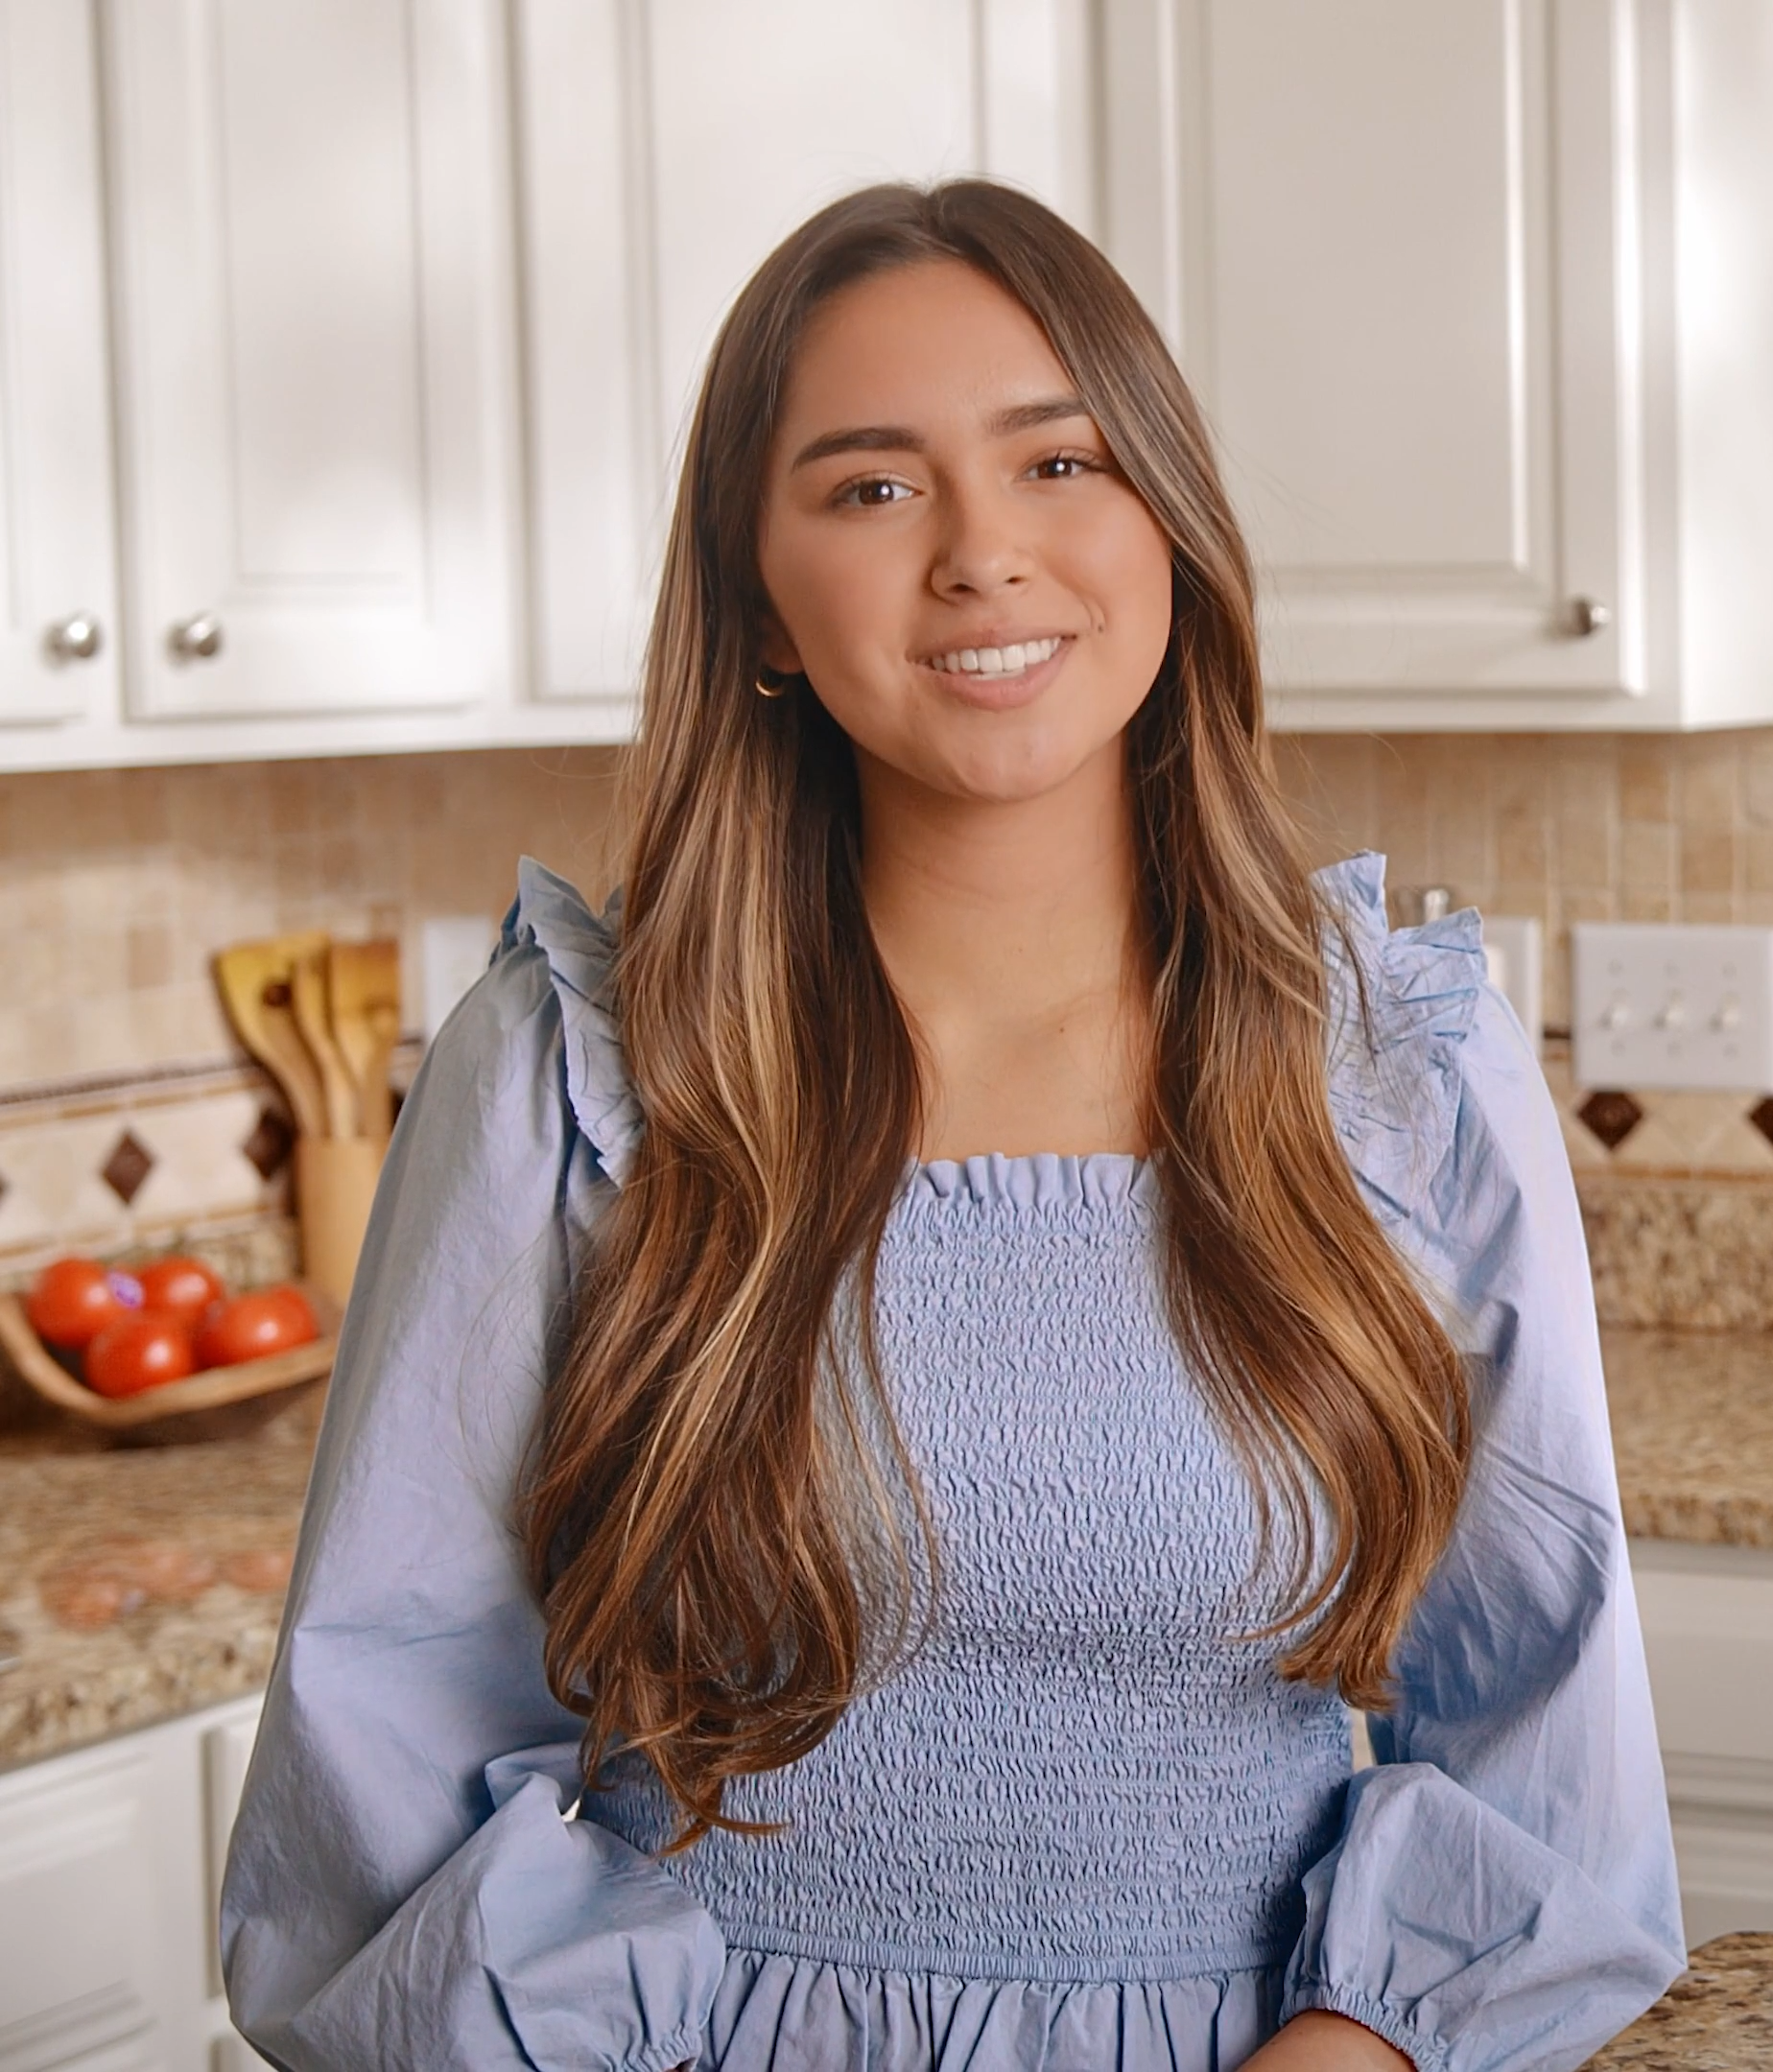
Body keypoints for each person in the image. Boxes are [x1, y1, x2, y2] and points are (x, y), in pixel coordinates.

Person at [217, 179, 1684, 2072]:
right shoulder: (575, 1086)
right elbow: (379, 1775)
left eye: (1059, 461)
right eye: (872, 488)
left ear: (1168, 522)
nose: (983, 553)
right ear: (758, 599)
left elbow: (1545, 1739)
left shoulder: (1401, 1070)